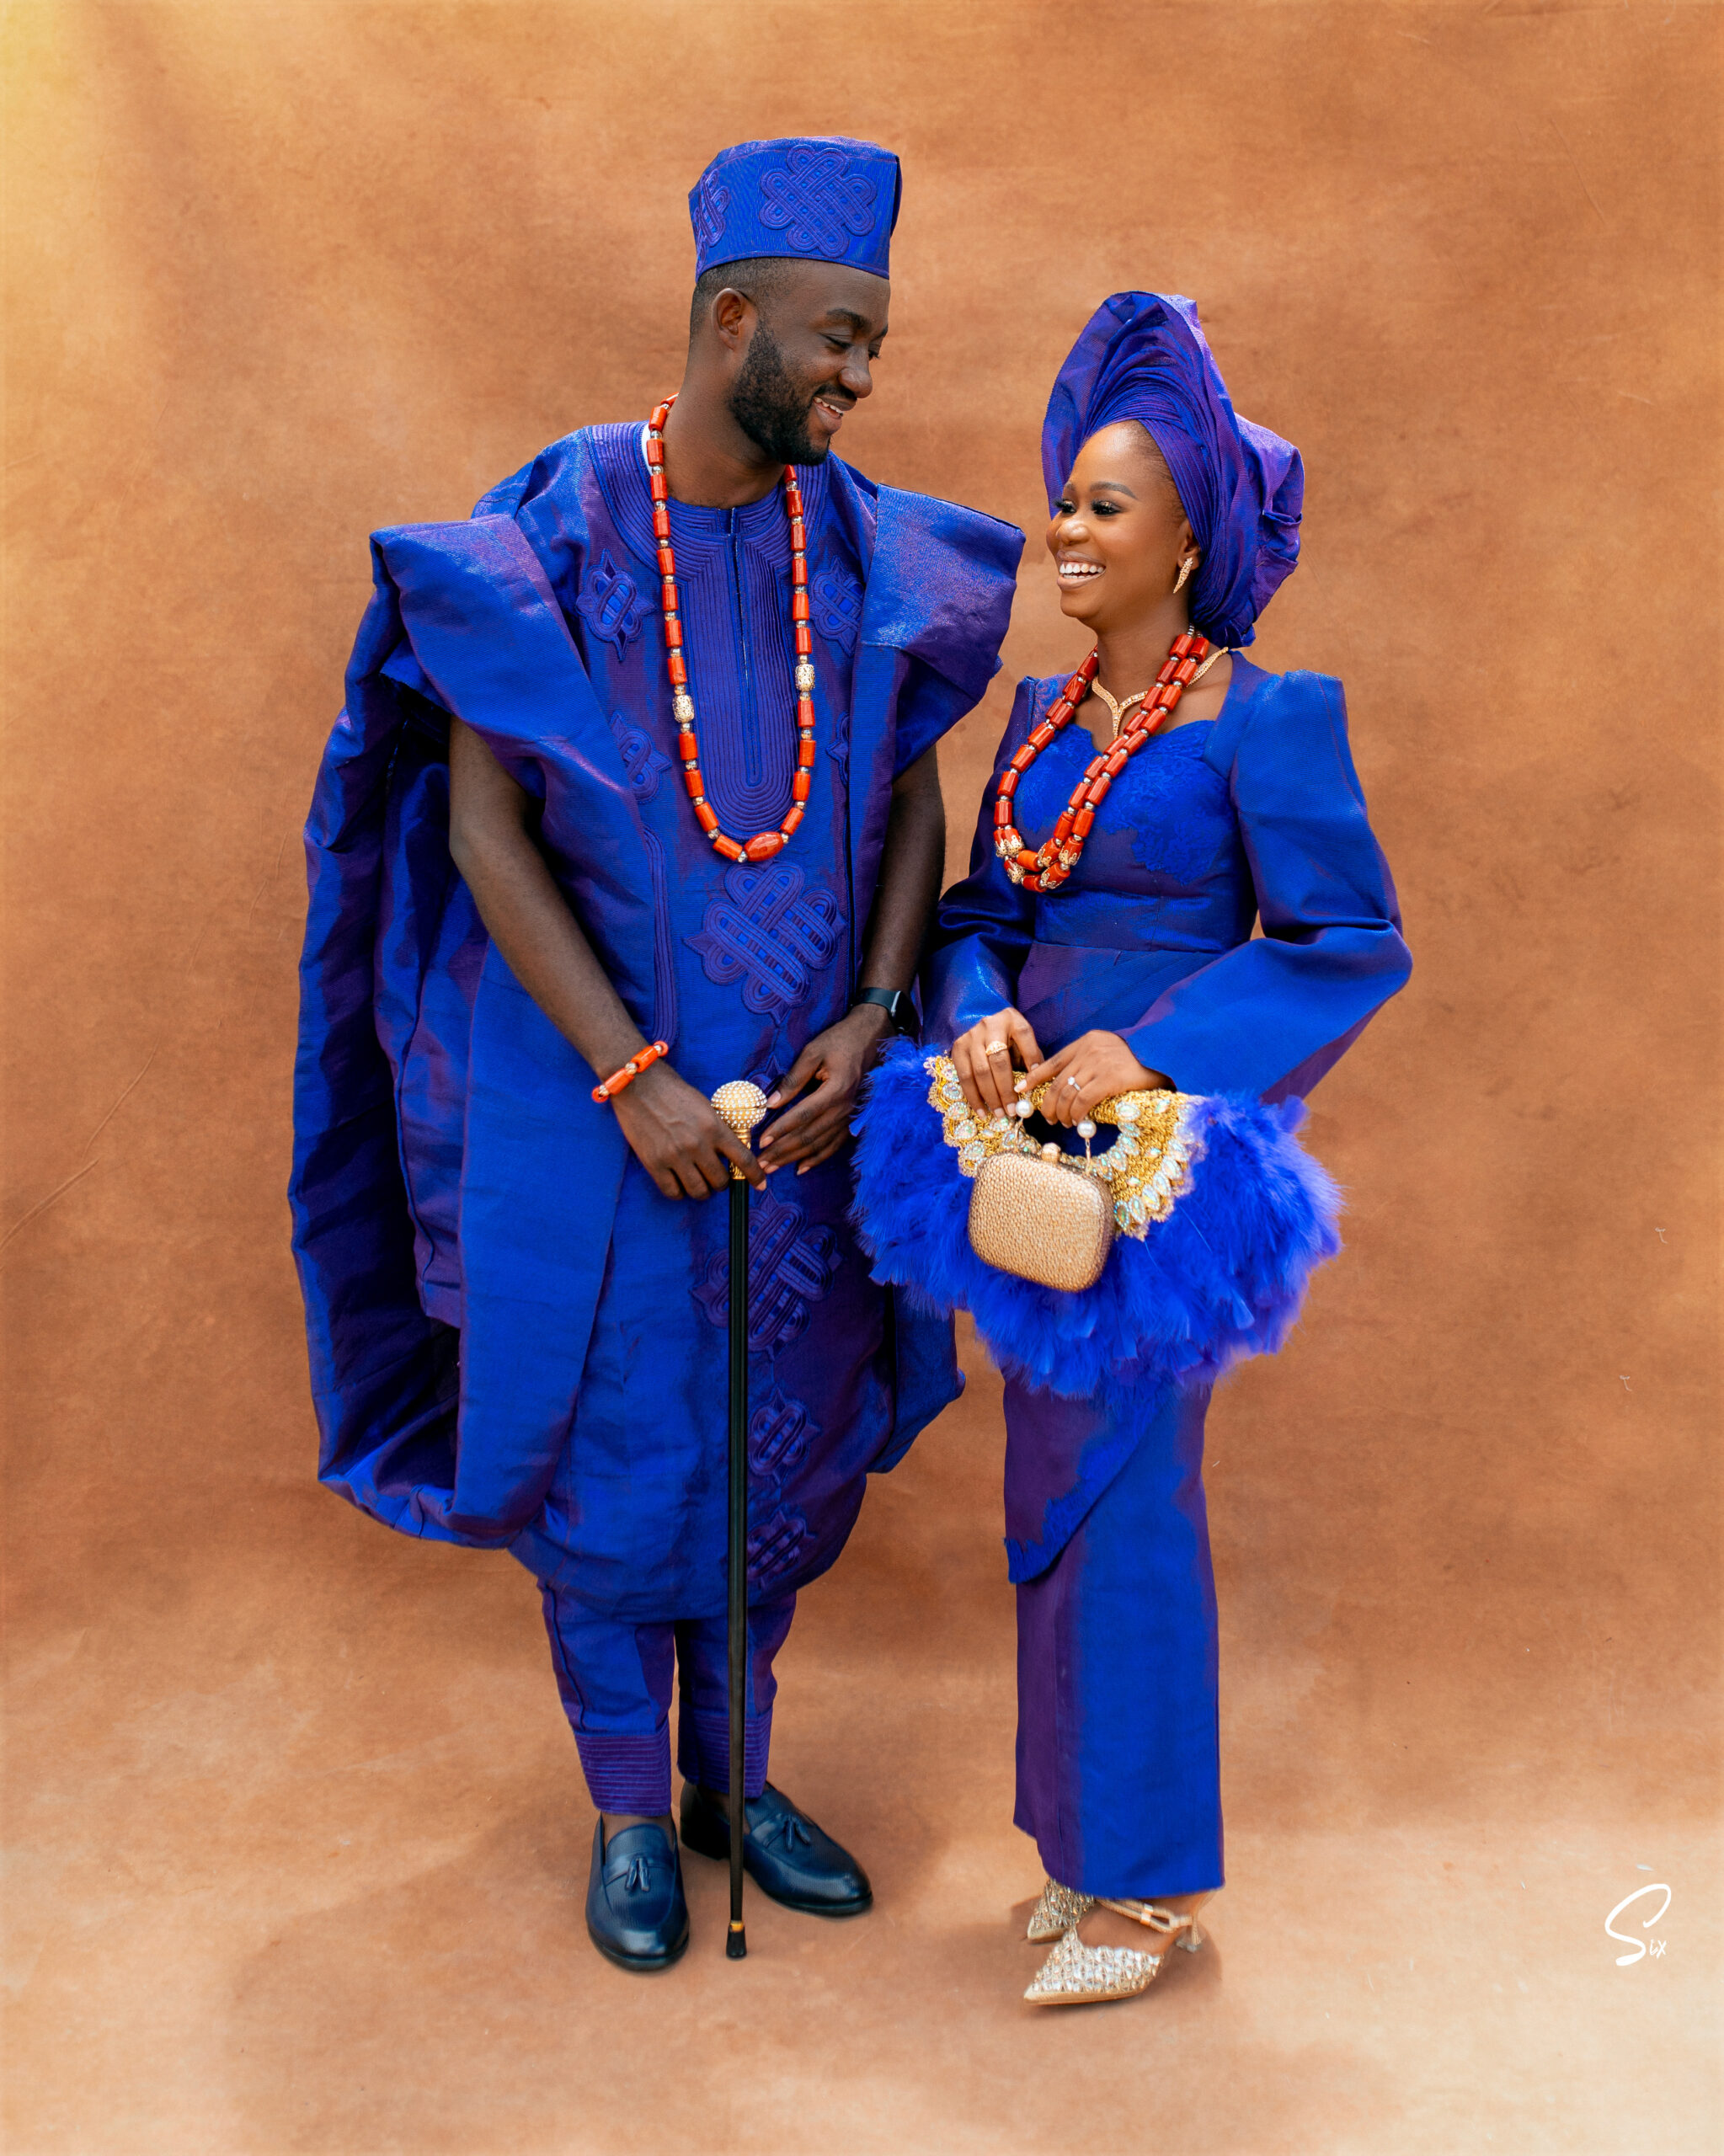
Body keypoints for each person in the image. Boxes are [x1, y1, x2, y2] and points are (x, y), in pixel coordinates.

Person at [290, 136, 1022, 1972]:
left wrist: (869, 1017)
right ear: (729, 317)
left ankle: (733, 1776)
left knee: (776, 1457)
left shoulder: (862, 547)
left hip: (800, 1118)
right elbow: (480, 831)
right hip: (592, 1106)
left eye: (873, 343)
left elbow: (916, 807)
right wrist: (635, 1078)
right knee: (614, 1462)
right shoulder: (551, 530)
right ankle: (630, 1806)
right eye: (839, 337)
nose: (863, 374)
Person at [921, 291, 1410, 2005]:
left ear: (1189, 532)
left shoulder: (1267, 717)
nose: (1065, 526)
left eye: (1104, 505)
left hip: (1162, 1166)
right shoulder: (1037, 724)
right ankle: (1086, 1857)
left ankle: (1143, 1889)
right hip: (1023, 1147)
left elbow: (1342, 937)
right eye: (1061, 498)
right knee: (1048, 1487)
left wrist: (1159, 1048)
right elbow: (974, 909)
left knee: (1128, 1491)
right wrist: (978, 1001)